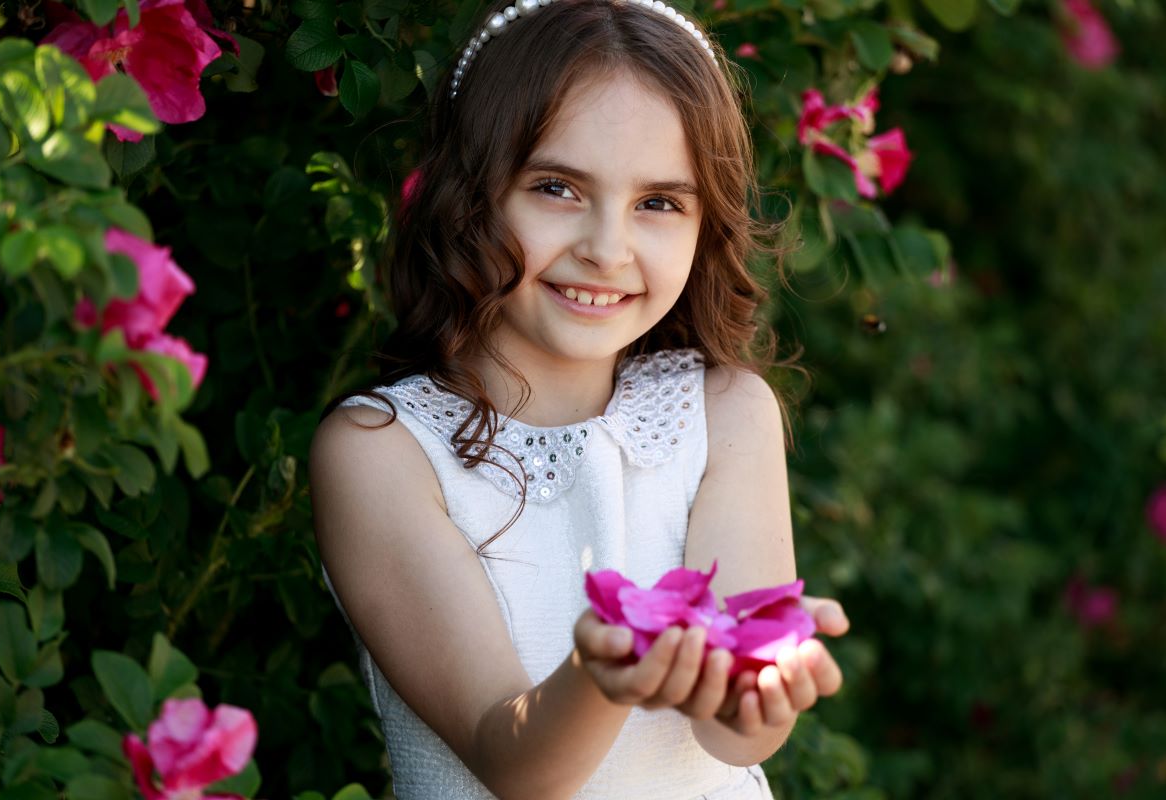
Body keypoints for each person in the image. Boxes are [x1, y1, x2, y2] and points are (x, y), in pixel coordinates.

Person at [309, 0, 850, 797]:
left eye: (659, 202)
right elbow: (513, 759)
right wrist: (605, 670)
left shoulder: (724, 414)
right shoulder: (382, 454)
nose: (606, 249)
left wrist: (765, 679)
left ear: (707, 225)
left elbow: (737, 738)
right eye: (557, 187)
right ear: (469, 193)